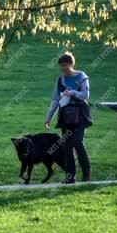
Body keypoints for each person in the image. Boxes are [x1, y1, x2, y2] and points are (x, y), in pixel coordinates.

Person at [44, 52, 92, 183]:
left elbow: (85, 95)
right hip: (65, 115)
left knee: (77, 142)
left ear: (72, 64)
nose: (63, 68)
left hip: (80, 114)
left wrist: (71, 92)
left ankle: (86, 173)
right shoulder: (60, 80)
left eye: (66, 65)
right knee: (66, 146)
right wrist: (49, 118)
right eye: (61, 66)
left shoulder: (81, 76)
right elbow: (55, 100)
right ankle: (70, 177)